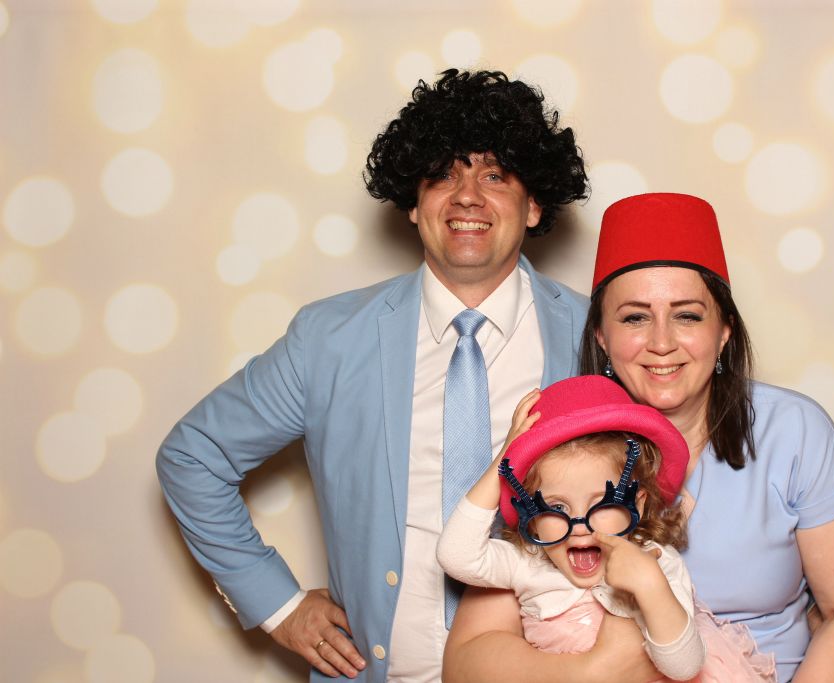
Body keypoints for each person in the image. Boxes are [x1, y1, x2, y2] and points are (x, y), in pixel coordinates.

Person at [156, 69, 591, 682]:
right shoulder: (329, 339)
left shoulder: (596, 335)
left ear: (535, 202)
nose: (467, 197)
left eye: (495, 175)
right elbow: (193, 456)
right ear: (413, 203)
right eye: (443, 175)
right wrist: (277, 605)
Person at [444, 193, 834, 683]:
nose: (661, 342)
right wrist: (594, 670)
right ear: (601, 337)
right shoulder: (561, 441)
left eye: (687, 315)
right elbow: (468, 659)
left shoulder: (795, 432)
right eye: (634, 317)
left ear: (724, 331)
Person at [437, 374, 778, 682]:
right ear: (533, 516)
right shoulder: (527, 563)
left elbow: (685, 667)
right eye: (557, 507)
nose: (579, 527)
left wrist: (651, 589)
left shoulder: (656, 563)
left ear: (638, 504)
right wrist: (504, 461)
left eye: (601, 503)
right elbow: (455, 555)